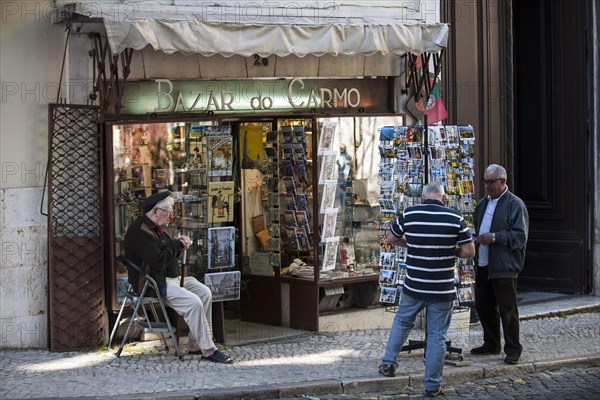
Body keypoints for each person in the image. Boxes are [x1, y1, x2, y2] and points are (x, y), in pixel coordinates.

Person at [378, 182, 475, 398]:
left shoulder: (409, 214)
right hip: (442, 289)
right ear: (443, 197)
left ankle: (388, 364)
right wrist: (452, 250)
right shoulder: (455, 217)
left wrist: (411, 244)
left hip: (414, 285)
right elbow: (469, 251)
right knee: (437, 335)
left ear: (423, 197)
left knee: (402, 322)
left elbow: (390, 238)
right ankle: (432, 385)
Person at [124, 191, 233, 363]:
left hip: (167, 278)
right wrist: (177, 244)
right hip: (153, 283)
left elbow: (164, 252)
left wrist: (178, 245)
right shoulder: (141, 231)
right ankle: (209, 350)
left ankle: (195, 344)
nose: (171, 216)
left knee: (204, 292)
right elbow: (158, 261)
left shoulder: (156, 229)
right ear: (156, 211)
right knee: (193, 302)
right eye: (168, 212)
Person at [470, 164, 529, 365]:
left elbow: (519, 237)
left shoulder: (515, 204)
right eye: (485, 181)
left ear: (503, 182)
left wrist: (494, 237)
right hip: (484, 263)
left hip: (504, 265)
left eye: (491, 182)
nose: (487, 186)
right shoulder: (482, 204)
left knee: (507, 309)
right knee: (483, 305)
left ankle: (513, 348)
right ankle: (491, 342)